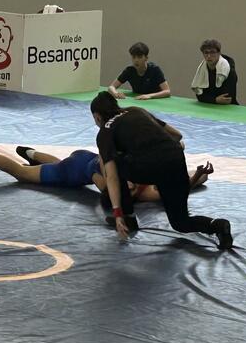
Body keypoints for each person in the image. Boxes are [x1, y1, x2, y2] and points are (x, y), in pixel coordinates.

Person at [90, 91, 233, 251]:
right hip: (175, 158)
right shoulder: (136, 110)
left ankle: (128, 218)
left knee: (113, 162)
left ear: (97, 117)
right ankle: (218, 226)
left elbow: (112, 176)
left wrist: (117, 214)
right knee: (180, 222)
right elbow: (177, 136)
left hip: (150, 166)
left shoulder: (105, 132)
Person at [0, 138, 213, 206]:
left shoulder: (142, 185)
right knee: (22, 174)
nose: (132, 188)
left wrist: (198, 175)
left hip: (80, 160)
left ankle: (31, 153)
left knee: (59, 164)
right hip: (75, 168)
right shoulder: (126, 182)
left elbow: (185, 183)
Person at [190, 38, 238, 105]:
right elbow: (199, 95)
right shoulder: (201, 69)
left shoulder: (228, 70)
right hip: (208, 105)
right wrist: (215, 99)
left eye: (212, 52)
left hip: (229, 107)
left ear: (219, 53)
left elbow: (227, 99)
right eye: (206, 52)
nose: (209, 56)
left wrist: (208, 98)